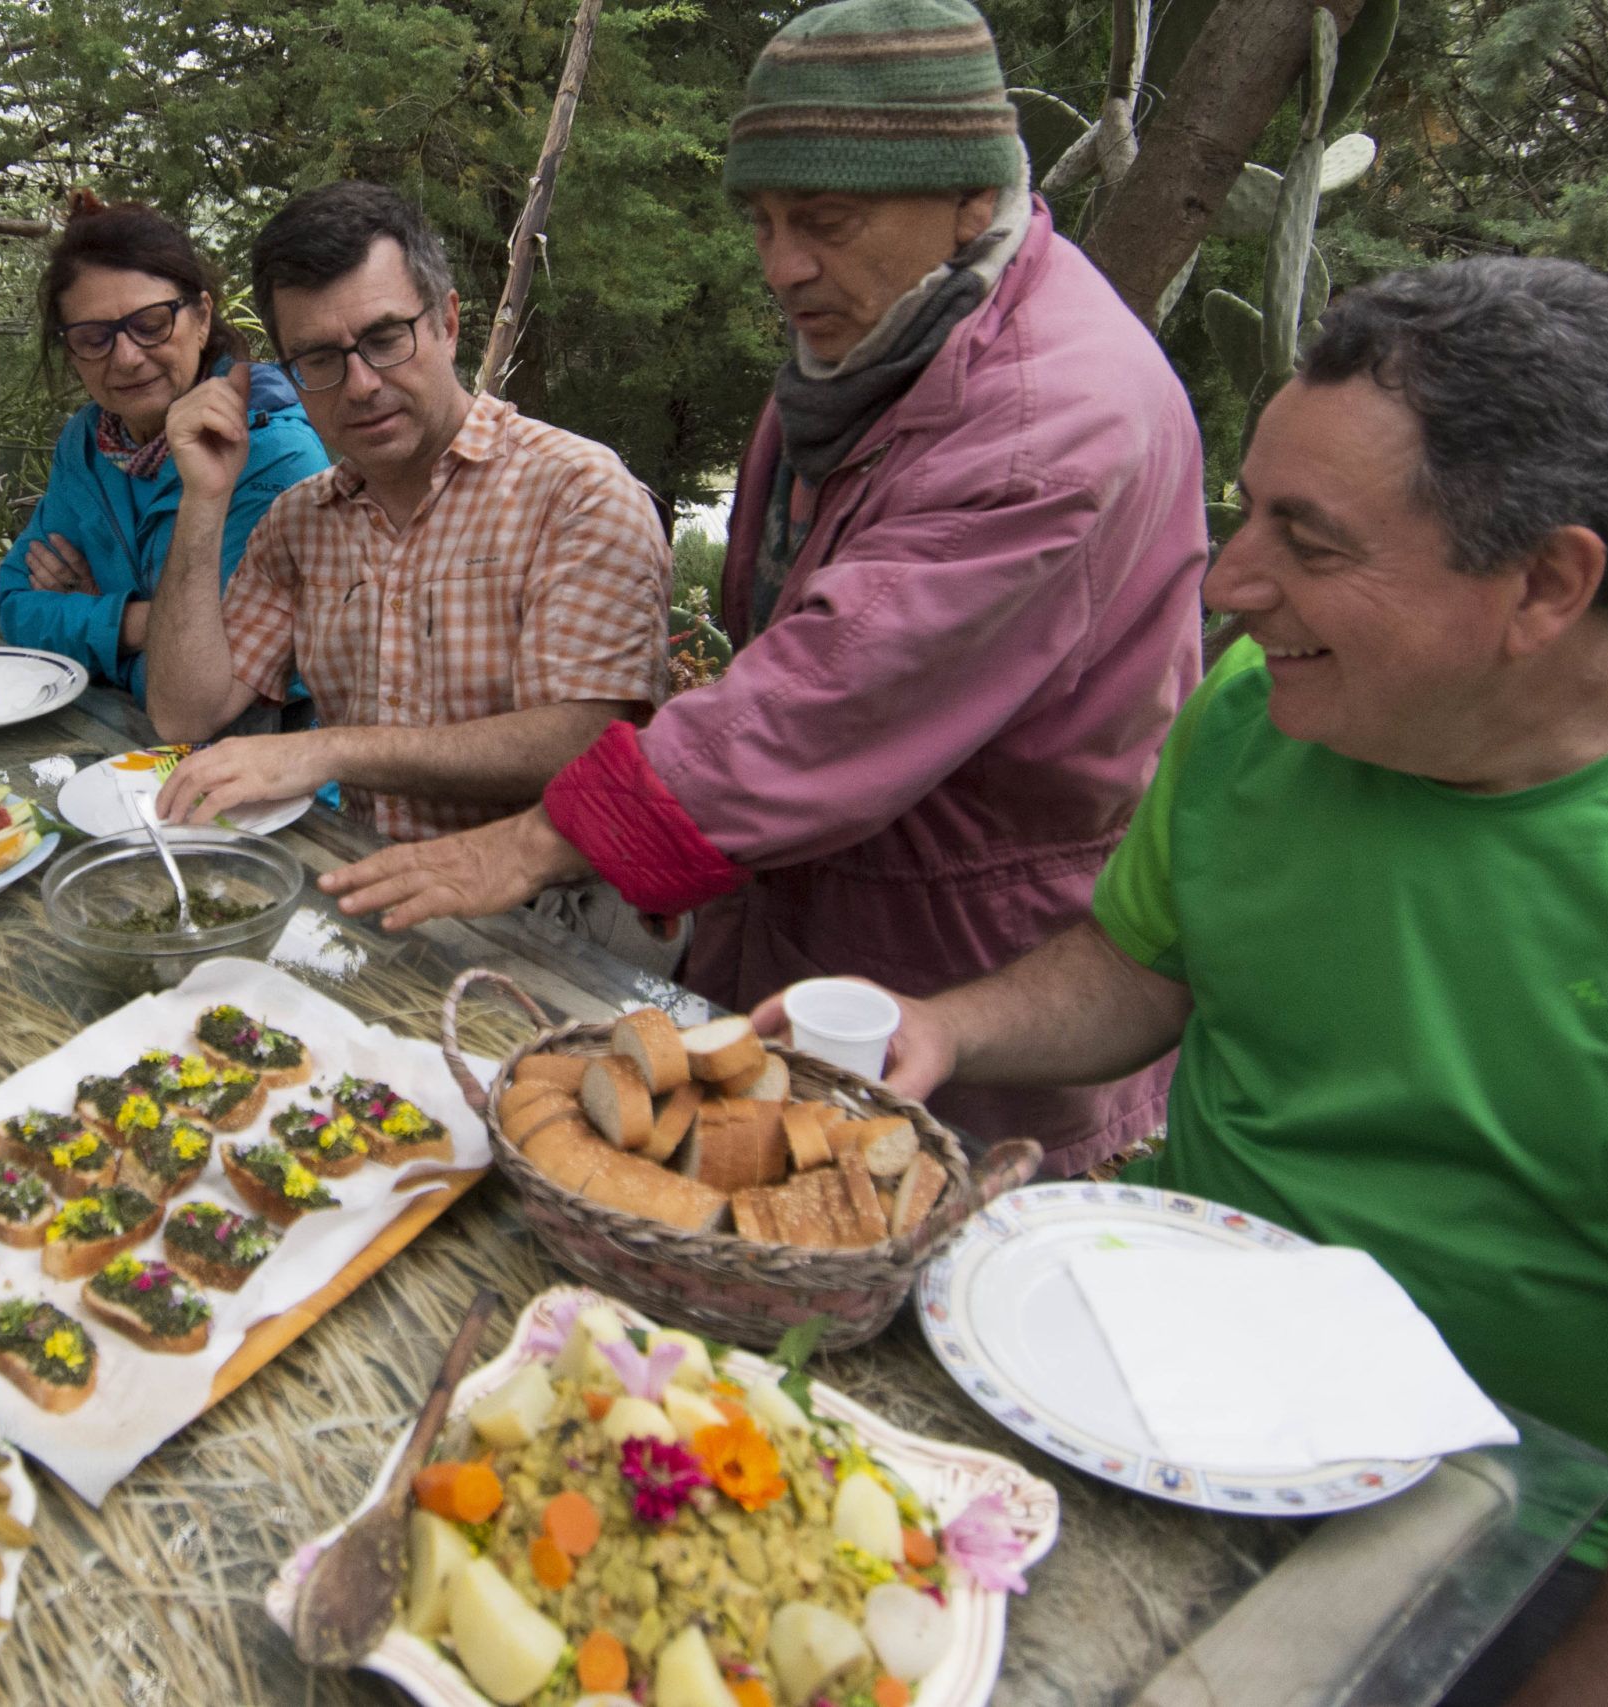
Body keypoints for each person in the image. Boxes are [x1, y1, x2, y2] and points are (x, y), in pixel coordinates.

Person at [794, 258, 1608, 1707]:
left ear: (1547, 583)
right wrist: (948, 1022)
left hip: (1510, 1516)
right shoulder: (1266, 708)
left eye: (1309, 542)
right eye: (1248, 509)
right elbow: (1139, 968)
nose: (1233, 583)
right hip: (1144, 1377)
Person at [318, 0, 1209, 1173]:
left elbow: (833, 690)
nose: (783, 265)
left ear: (972, 197)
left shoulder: (1047, 424)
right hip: (826, 905)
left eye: (826, 221)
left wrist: (547, 836)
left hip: (969, 961)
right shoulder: (900, 332)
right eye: (766, 220)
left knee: (905, 1249)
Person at [145, 181, 672, 859]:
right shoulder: (299, 522)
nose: (361, 384)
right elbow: (184, 712)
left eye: (385, 338)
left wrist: (329, 750)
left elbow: (583, 743)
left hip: (549, 913)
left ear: (447, 323)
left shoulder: (575, 492)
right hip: (366, 893)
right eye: (320, 359)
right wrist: (203, 499)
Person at [0, 195, 329, 709]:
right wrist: (135, 622)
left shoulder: (271, 453)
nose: (126, 358)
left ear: (201, 317)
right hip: (122, 745)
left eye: (151, 325)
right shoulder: (86, 445)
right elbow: (16, 605)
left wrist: (90, 617)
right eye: (93, 337)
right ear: (71, 351)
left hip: (267, 760)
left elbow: (204, 696)